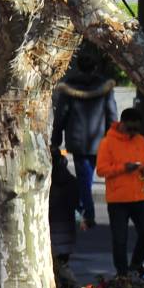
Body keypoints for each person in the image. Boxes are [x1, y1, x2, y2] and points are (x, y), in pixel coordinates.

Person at [52, 51, 118, 230]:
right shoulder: (104, 87)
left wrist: (56, 138)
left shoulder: (69, 88)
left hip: (77, 139)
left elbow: (61, 115)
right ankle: (83, 209)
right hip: (99, 139)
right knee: (86, 176)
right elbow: (112, 114)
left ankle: (88, 213)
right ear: (95, 67)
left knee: (84, 176)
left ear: (78, 66)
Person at [96, 107, 144, 277]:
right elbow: (101, 169)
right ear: (122, 124)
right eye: (131, 128)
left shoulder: (141, 140)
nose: (133, 132)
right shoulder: (107, 142)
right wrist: (123, 168)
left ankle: (135, 264)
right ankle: (122, 272)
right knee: (120, 239)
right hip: (118, 199)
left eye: (137, 129)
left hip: (138, 195)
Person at [50, 150, 80, 288]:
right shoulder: (71, 181)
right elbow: (76, 204)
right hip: (67, 232)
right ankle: (65, 287)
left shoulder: (47, 184)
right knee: (61, 263)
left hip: (51, 233)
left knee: (57, 266)